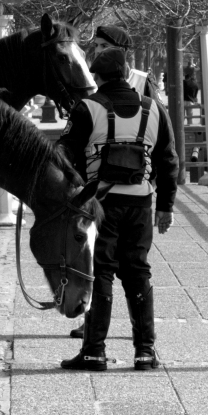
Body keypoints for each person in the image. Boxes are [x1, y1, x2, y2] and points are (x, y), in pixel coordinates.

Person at [58, 47, 179, 371]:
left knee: (101, 273)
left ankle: (94, 351)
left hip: (100, 203)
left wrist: (72, 195)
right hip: (141, 203)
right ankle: (145, 352)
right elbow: (168, 161)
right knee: (138, 271)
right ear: (127, 74)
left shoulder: (88, 108)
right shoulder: (155, 110)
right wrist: (165, 206)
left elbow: (64, 155)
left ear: (96, 76)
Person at [91, 25, 156, 99]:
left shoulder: (142, 80)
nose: (97, 51)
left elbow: (155, 110)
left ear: (122, 50)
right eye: (96, 45)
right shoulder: (87, 79)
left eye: (104, 46)